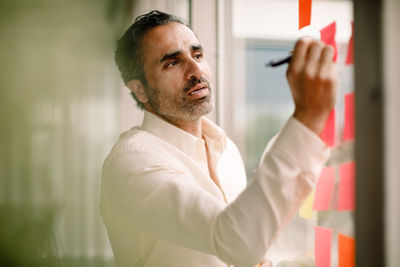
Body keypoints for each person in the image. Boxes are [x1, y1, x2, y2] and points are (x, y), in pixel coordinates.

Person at [100, 10, 337, 267]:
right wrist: (308, 118)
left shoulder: (226, 151)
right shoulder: (131, 163)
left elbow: (240, 252)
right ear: (140, 90)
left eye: (198, 54)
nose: (195, 70)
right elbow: (236, 241)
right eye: (172, 62)